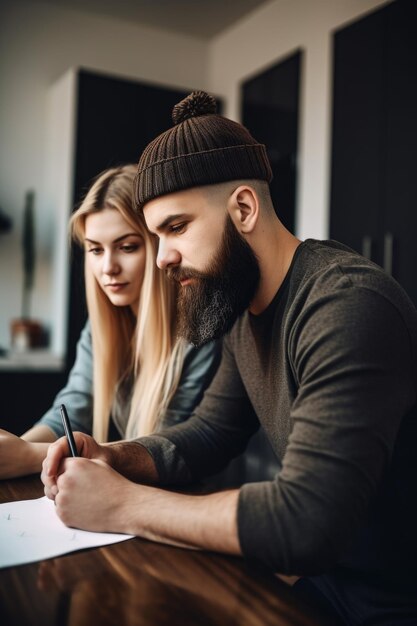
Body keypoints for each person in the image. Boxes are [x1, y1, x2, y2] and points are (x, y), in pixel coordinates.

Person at [42, 92, 417, 625]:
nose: (164, 257)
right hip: (329, 586)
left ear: (243, 208)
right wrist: (111, 456)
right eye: (154, 236)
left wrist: (122, 505)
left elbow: (306, 523)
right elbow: (209, 433)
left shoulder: (347, 304)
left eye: (176, 228)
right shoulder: (241, 306)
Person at [0, 164, 220, 479]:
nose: (108, 267)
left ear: (158, 245)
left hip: (187, 503)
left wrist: (32, 457)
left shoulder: (201, 329)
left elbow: (168, 448)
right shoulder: (101, 327)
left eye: (127, 247)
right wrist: (17, 450)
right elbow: (74, 406)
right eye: (95, 250)